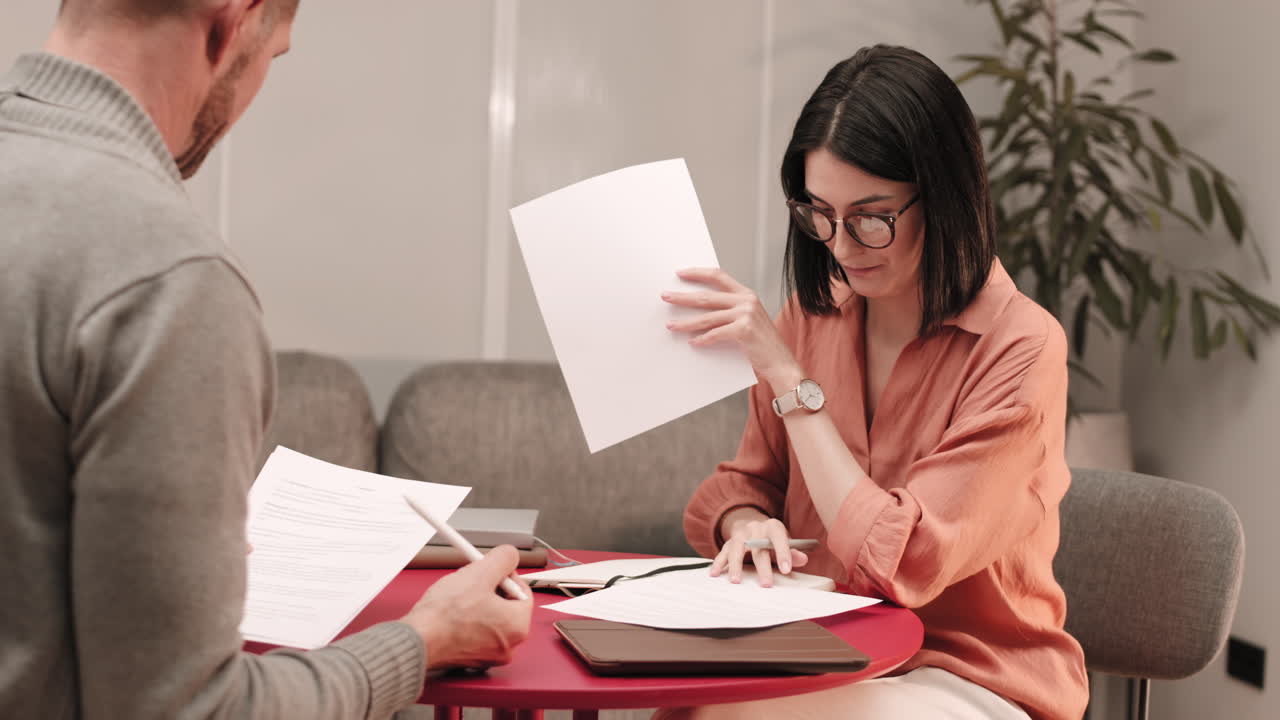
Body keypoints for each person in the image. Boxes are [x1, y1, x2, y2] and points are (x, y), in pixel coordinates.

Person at [0, 1, 530, 718]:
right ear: (234, 21)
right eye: (273, 56)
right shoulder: (168, 275)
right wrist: (424, 640)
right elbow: (190, 711)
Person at [658, 45, 1088, 719]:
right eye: (819, 213)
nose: (841, 245)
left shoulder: (1021, 348)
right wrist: (746, 528)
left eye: (871, 216)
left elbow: (901, 559)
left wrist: (786, 376)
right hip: (823, 648)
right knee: (686, 705)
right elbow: (743, 487)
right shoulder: (816, 312)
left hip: (966, 674)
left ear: (942, 196)